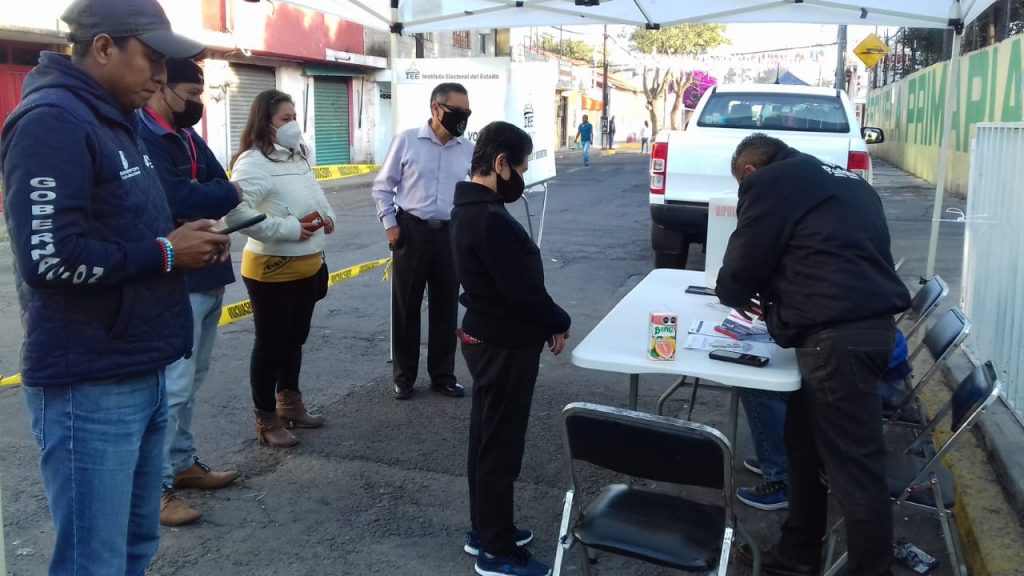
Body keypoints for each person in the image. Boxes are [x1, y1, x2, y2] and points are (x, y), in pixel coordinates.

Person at [0, 0, 230, 573]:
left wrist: (177, 235)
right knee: (93, 561)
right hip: (91, 382)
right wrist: (168, 251)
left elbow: (127, 223)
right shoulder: (52, 122)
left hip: (141, 364)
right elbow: (49, 259)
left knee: (134, 548)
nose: (161, 77)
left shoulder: (118, 120)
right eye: (151, 59)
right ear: (103, 48)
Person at [718, 134, 910, 576]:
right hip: (868, 329)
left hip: (836, 340)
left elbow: (745, 260)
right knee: (802, 447)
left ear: (748, 172)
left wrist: (732, 292)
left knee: (855, 472)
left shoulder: (770, 183)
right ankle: (797, 553)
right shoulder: (844, 180)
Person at [451, 121, 571, 576]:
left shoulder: (469, 208)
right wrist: (558, 320)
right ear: (500, 164)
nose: (522, 179)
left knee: (486, 437)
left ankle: (487, 529)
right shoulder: (489, 219)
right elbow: (519, 292)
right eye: (520, 168)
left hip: (487, 335)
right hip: (502, 341)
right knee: (500, 446)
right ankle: (497, 551)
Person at [138, 57, 242, 526]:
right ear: (161, 89)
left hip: (208, 272)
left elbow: (227, 187)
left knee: (193, 382)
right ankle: (155, 490)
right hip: (175, 278)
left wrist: (208, 192)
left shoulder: (185, 136)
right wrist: (206, 194)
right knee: (172, 389)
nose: (198, 105)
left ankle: (182, 465)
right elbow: (174, 198)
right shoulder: (144, 137)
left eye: (203, 96)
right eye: (190, 95)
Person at [225, 89, 336, 447]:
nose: (293, 125)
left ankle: (290, 403)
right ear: (265, 123)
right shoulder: (252, 162)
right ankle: (266, 419)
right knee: (270, 344)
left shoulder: (297, 156)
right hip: (271, 268)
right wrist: (288, 229)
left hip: (307, 265)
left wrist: (328, 215)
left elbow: (316, 192)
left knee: (294, 340)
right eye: (284, 119)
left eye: (294, 117)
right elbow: (238, 213)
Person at [372, 82, 473, 400]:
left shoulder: (467, 148)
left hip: (449, 233)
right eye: (457, 112)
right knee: (406, 307)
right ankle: (404, 378)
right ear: (436, 109)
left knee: (446, 308)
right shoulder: (407, 141)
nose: (462, 119)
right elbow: (382, 187)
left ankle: (442, 375)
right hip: (411, 232)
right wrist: (391, 225)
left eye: (466, 113)